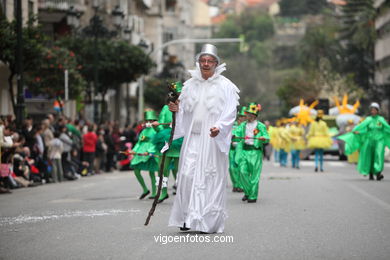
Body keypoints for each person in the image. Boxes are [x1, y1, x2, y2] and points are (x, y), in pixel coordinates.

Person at [168, 44, 240, 233]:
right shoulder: (189, 84)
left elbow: (231, 111)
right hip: (193, 138)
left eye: (210, 61)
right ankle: (186, 218)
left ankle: (207, 221)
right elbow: (183, 111)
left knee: (209, 178)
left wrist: (220, 128)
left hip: (212, 139)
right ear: (198, 62)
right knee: (186, 175)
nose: (206, 64)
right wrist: (176, 110)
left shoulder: (226, 86)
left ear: (216, 64)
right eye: (203, 61)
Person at [338, 103, 390, 180]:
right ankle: (370, 173)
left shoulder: (381, 120)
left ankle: (378, 172)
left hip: (379, 141)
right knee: (369, 157)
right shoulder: (368, 120)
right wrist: (357, 131)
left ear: (378, 110)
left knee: (379, 155)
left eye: (374, 109)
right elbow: (362, 128)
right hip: (369, 140)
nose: (373, 111)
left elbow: (387, 128)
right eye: (372, 110)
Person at [152, 82, 184, 203]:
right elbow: (160, 125)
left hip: (179, 142)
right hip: (165, 141)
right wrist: (156, 127)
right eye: (174, 94)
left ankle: (181, 192)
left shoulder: (186, 108)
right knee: (162, 169)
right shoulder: (166, 109)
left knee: (178, 169)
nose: (176, 97)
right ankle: (162, 192)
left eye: (179, 94)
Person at [234, 103, 269, 203]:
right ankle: (248, 191)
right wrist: (233, 136)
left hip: (255, 152)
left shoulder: (261, 126)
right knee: (242, 171)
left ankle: (252, 196)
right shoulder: (243, 125)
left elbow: (266, 137)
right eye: (247, 114)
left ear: (254, 115)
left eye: (249, 114)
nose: (247, 116)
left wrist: (263, 138)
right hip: (244, 151)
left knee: (254, 175)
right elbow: (236, 134)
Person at [130, 110, 159, 200]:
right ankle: (145, 189)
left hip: (150, 153)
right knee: (136, 170)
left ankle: (154, 193)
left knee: (152, 172)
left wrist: (150, 151)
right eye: (147, 120)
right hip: (141, 153)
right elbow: (139, 142)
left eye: (151, 120)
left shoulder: (155, 131)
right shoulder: (143, 131)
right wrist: (134, 150)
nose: (148, 122)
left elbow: (155, 143)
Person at [229, 106, 247, 192]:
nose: (243, 118)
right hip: (232, 150)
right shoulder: (233, 125)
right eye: (242, 116)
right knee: (232, 168)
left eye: (245, 116)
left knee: (242, 167)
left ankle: (241, 185)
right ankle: (235, 184)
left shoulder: (247, 126)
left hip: (243, 149)